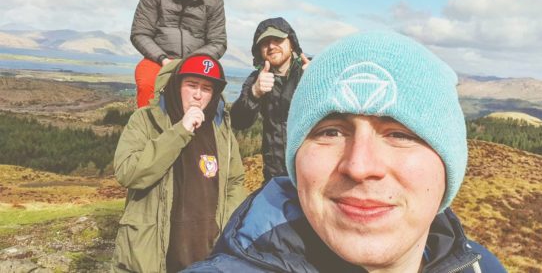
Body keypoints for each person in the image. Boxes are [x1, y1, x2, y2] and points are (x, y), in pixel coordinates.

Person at [184, 31, 506, 272]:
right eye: (331, 132)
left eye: (400, 134)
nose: (359, 165)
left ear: (449, 165)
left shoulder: (482, 267)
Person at [112, 54, 246, 272]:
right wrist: (180, 131)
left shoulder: (221, 128)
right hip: (153, 254)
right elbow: (129, 172)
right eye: (191, 85)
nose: (198, 95)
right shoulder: (145, 120)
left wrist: (227, 230)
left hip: (207, 255)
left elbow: (235, 182)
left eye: (206, 88)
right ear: (176, 85)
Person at [131, 0, 227, 108]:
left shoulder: (214, 0)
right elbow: (140, 33)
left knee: (216, 102)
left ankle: (206, 134)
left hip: (196, 62)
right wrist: (163, 59)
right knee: (147, 84)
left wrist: (190, 62)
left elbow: (218, 42)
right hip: (157, 59)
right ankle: (146, 131)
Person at [230, 17, 310, 183]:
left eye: (278, 39)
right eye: (265, 42)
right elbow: (238, 122)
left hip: (312, 174)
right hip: (275, 177)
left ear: (292, 43)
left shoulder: (311, 69)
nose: (272, 46)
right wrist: (255, 93)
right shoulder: (257, 79)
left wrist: (321, 82)